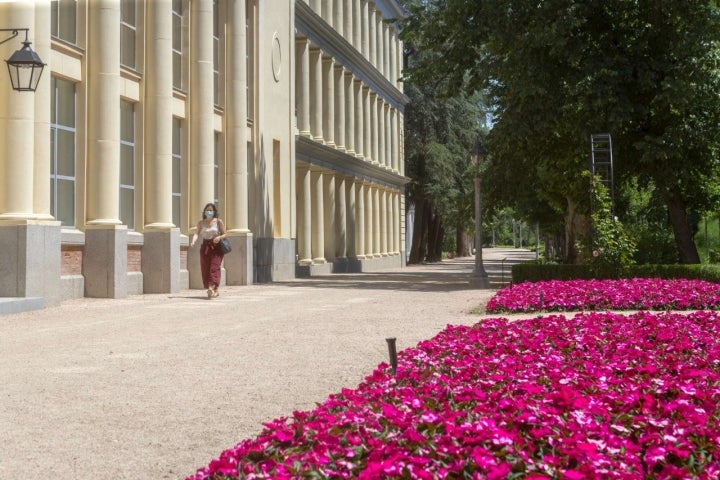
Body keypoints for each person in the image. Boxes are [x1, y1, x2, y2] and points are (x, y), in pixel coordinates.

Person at [190, 203, 228, 299]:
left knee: (214, 267)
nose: (209, 212)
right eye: (207, 210)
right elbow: (196, 234)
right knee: (206, 268)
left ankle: (211, 287)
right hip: (205, 248)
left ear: (214, 212)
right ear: (204, 211)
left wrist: (219, 237)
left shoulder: (218, 222)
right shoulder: (201, 223)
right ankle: (215, 290)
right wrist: (193, 241)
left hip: (216, 248)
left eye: (211, 210)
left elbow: (225, 234)